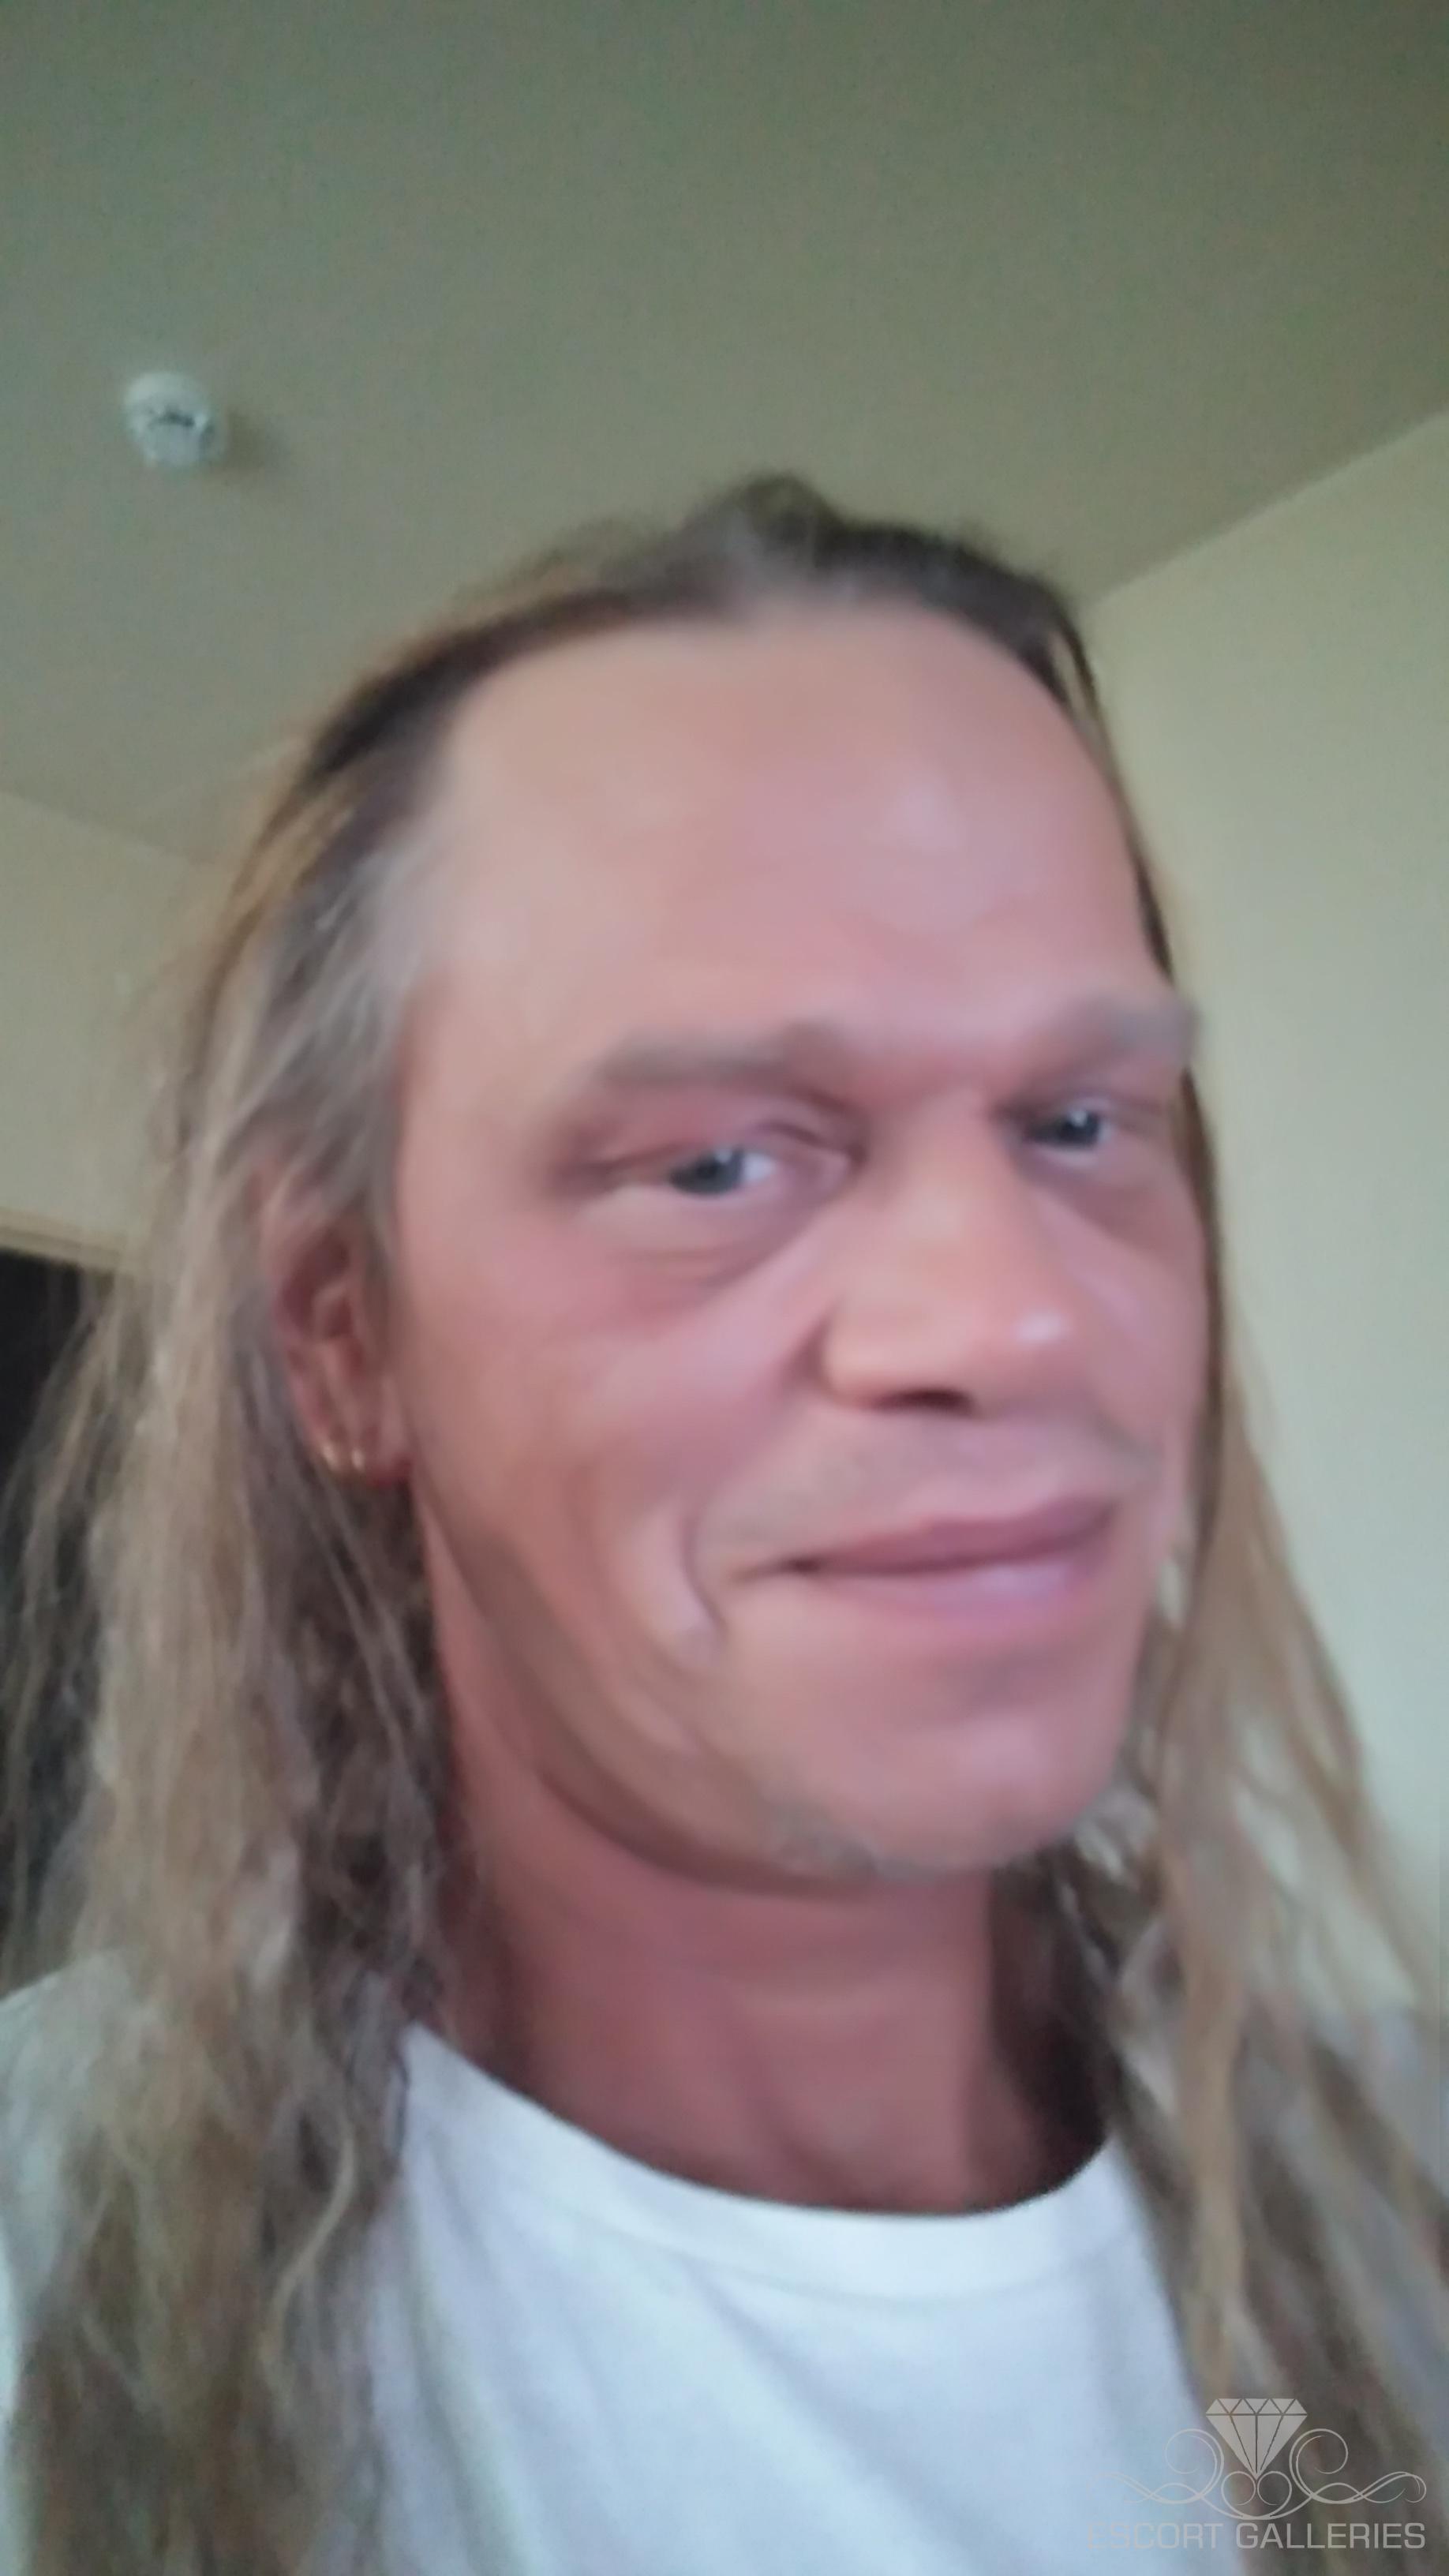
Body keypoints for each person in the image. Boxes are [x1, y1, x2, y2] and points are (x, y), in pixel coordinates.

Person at [0, 477, 1443, 2575]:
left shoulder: (1363, 2210)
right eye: (712, 1165)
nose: (1020, 1317)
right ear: (345, 1341)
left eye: (1078, 1122)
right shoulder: (57, 2268)